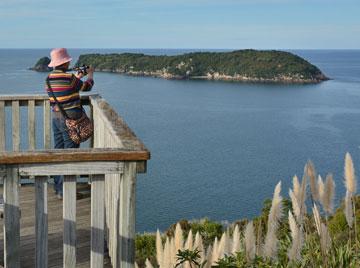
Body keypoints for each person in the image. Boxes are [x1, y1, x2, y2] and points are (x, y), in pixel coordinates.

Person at [45, 48, 94, 199]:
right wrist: (90, 74)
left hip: (56, 118)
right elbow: (86, 87)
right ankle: (68, 193)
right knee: (71, 155)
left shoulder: (48, 79)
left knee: (60, 153)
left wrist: (77, 76)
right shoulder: (69, 78)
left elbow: (67, 90)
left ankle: (59, 189)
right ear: (65, 62)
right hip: (71, 121)